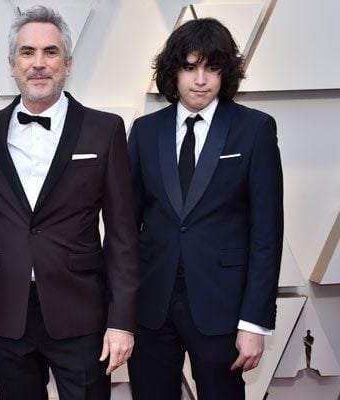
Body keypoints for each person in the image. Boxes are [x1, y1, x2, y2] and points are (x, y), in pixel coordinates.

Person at [0, 5, 139, 400]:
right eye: (27, 53)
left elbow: (124, 234)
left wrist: (122, 321)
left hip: (81, 311)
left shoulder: (105, 129)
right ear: (12, 63)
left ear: (68, 62)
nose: (38, 63)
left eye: (50, 52)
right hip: (9, 310)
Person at [126, 18, 283, 400]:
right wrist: (119, 312)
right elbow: (125, 228)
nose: (201, 80)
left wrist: (255, 322)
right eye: (190, 67)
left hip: (223, 308)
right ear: (173, 71)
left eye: (212, 68)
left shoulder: (255, 129)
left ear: (225, 73)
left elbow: (267, 233)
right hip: (151, 307)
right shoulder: (144, 131)